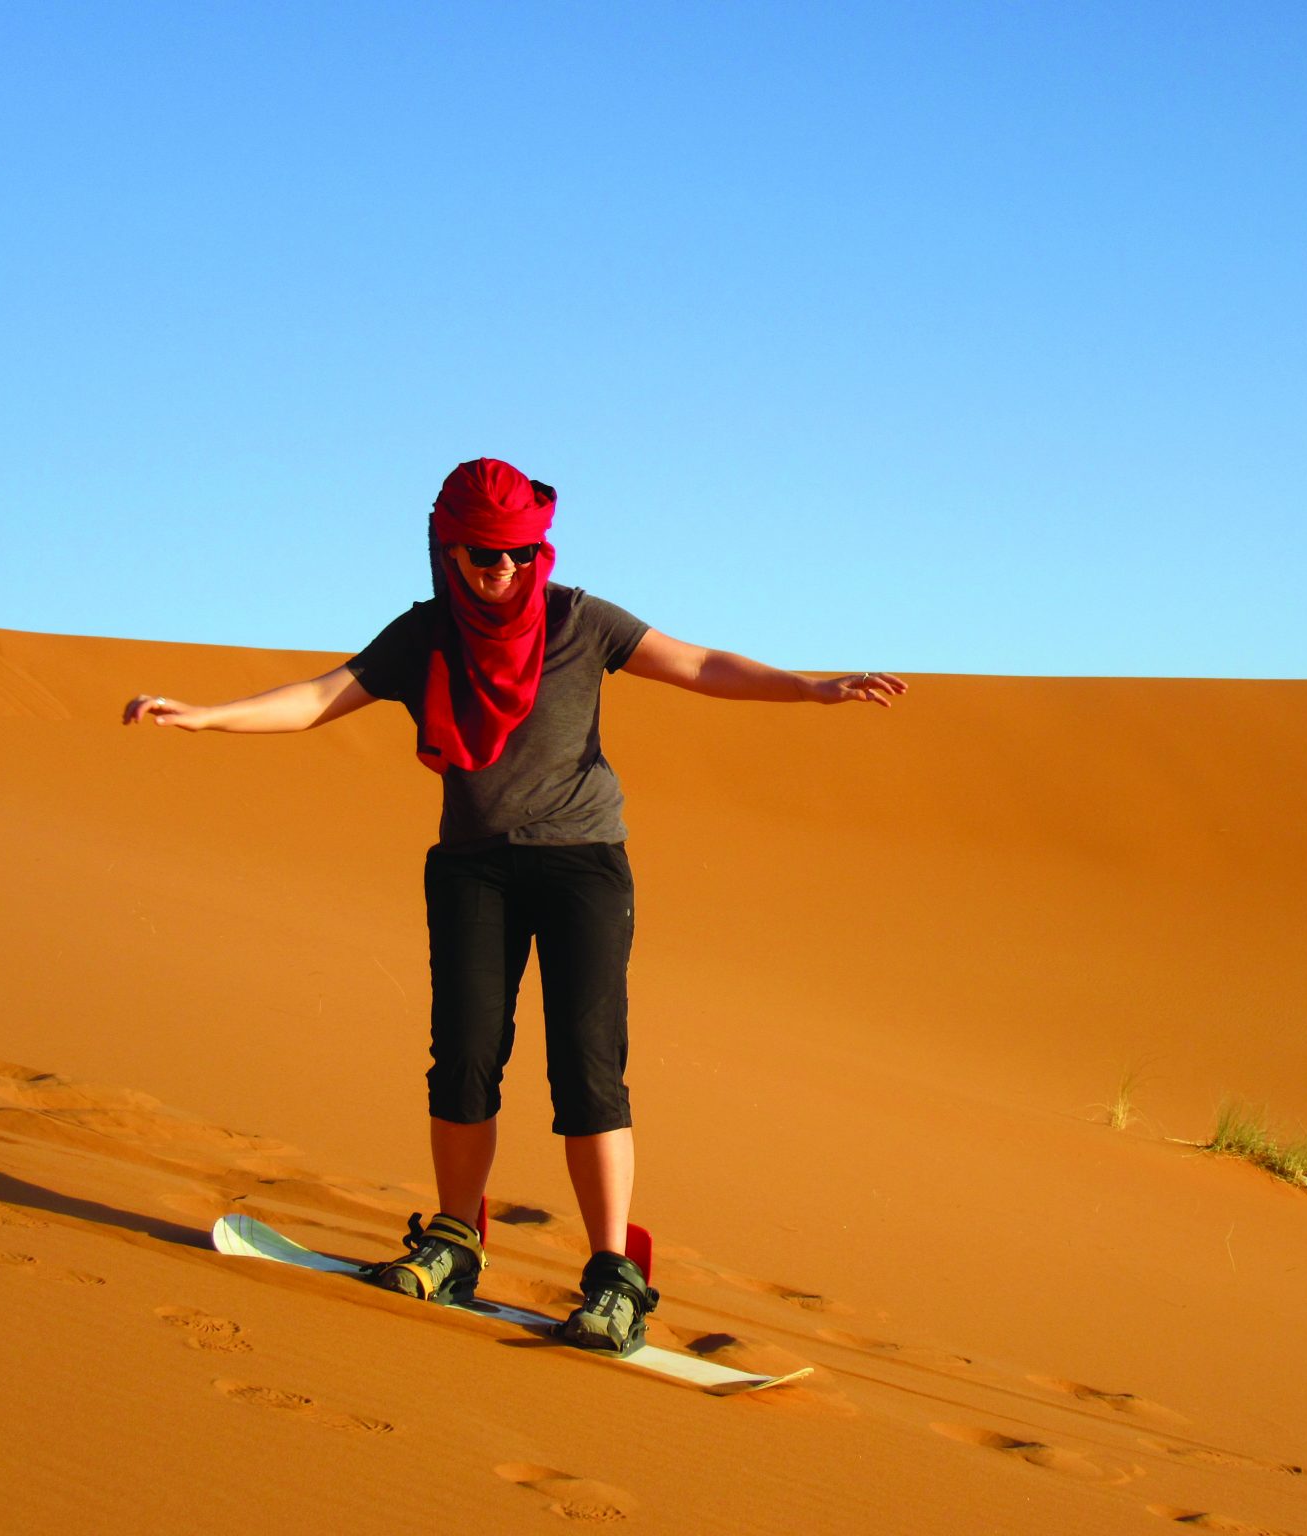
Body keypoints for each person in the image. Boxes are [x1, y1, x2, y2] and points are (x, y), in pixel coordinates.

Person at [122, 457, 906, 1354]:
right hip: (474, 868)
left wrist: (810, 688)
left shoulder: (581, 620)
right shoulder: (425, 636)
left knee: (587, 1069)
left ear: (539, 551)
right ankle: (454, 1243)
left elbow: (694, 662)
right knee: (462, 1059)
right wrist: (207, 716)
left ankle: (613, 1279)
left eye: (517, 554)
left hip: (582, 866)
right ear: (448, 551)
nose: (501, 570)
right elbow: (320, 697)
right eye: (482, 554)